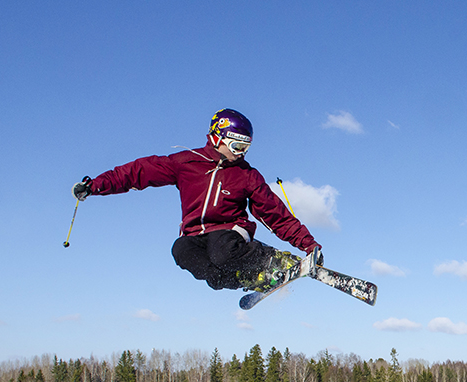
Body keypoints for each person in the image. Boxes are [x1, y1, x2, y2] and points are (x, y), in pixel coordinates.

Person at [72, 108, 321, 292]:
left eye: (246, 147)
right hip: (195, 235)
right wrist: (95, 186)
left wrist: (308, 245)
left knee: (220, 248)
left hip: (231, 232)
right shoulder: (186, 163)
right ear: (217, 137)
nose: (241, 153)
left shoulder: (247, 175)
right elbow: (138, 172)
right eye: (236, 146)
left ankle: (270, 260)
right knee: (183, 252)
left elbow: (274, 213)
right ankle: (247, 279)